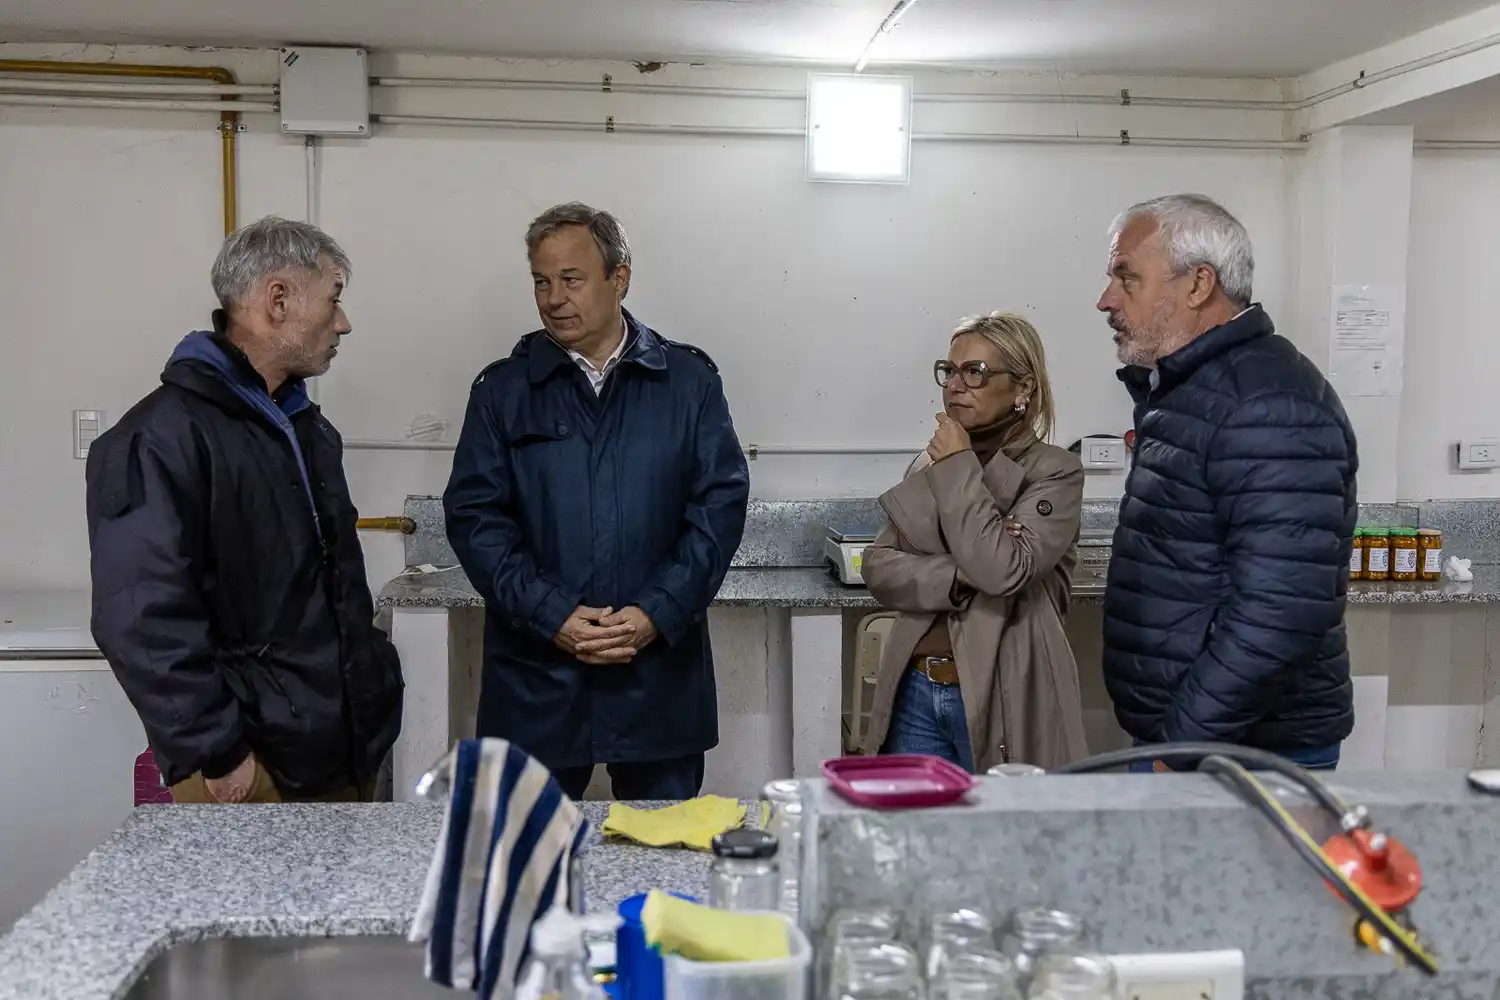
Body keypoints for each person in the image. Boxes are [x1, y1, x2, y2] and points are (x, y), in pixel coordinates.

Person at [85, 216, 404, 804]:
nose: (344, 322)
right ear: (277, 300)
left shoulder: (307, 430)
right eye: (333, 299)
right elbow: (141, 618)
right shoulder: (158, 439)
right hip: (248, 766)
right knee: (248, 901)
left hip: (337, 749)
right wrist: (217, 750)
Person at [444, 202, 749, 801]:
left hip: (657, 680)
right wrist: (551, 614)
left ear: (619, 278)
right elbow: (476, 519)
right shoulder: (503, 391)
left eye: (572, 279)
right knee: (527, 869)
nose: (554, 298)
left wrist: (655, 613)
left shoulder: (687, 383)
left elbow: (718, 509)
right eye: (541, 281)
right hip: (538, 684)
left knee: (662, 864)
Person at [1096, 194, 1357, 772]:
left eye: (1126, 277)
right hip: (1197, 739)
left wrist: (1184, 744)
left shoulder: (1268, 403)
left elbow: (1278, 612)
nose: (1106, 300)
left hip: (1237, 751)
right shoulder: (1195, 391)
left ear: (1198, 285)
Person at [860, 312, 1090, 772]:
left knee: (1001, 836)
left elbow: (1001, 570)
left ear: (1023, 388)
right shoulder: (934, 463)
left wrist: (960, 463)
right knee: (918, 836)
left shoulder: (1054, 471)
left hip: (1001, 690)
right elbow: (879, 566)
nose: (955, 385)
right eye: (950, 369)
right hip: (916, 689)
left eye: (976, 372)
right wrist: (960, 574)